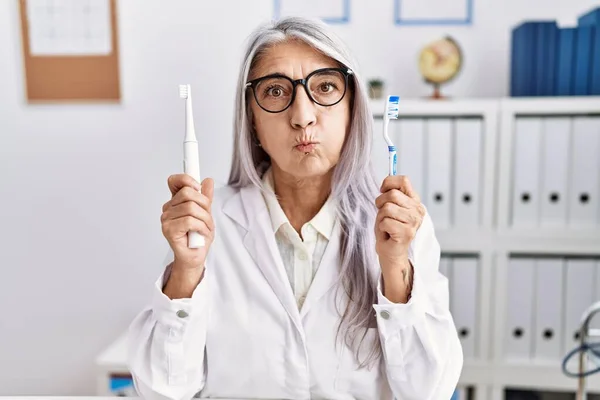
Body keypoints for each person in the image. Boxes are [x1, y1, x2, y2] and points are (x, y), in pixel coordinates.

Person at [127, 16, 463, 400]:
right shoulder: (207, 222)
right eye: (275, 91)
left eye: (325, 87)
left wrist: (395, 268)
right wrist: (186, 272)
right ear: (251, 120)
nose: (303, 117)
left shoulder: (398, 225)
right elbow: (161, 390)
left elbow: (429, 391)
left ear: (352, 109)